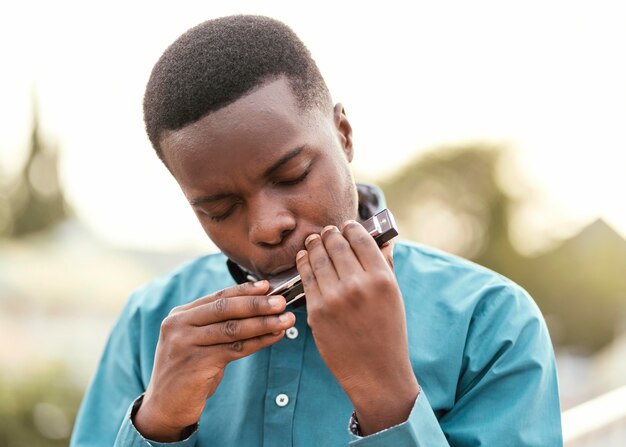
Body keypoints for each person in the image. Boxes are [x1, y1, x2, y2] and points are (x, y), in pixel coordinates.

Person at [70, 15, 562, 446]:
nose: (267, 227)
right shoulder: (147, 324)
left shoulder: (492, 322)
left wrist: (385, 392)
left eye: (291, 176)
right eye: (220, 208)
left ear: (343, 135)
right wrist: (157, 424)